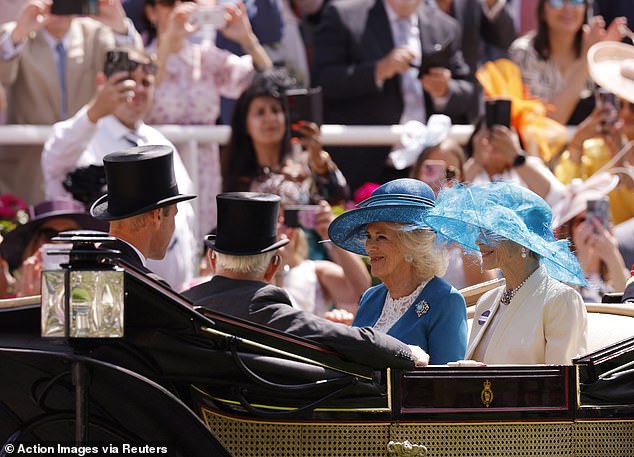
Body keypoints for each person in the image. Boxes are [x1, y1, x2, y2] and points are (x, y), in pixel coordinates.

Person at [182, 191, 429, 369]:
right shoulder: (268, 311)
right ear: (273, 266)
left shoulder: (181, 306)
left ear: (213, 259)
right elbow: (357, 342)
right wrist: (408, 352)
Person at [41, 48, 197, 289]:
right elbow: (54, 162)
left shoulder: (161, 143)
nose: (138, 89)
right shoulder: (82, 134)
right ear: (102, 82)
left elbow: (185, 217)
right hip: (104, 292)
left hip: (172, 292)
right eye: (128, 81)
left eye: (146, 82)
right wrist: (94, 112)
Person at [311, 0, 479, 193]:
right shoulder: (344, 15)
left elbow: (467, 91)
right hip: (365, 167)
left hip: (427, 172)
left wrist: (444, 90)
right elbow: (322, 80)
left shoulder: (445, 26)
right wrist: (377, 71)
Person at [143, 0, 273, 236]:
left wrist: (247, 39)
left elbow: (266, 83)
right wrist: (167, 42)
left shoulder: (205, 57)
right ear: (151, 12)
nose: (179, 8)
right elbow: (143, 100)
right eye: (168, 2)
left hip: (204, 173)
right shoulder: (140, 56)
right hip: (157, 170)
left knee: (203, 244)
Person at [425, 181, 588, 364]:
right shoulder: (486, 301)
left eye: (490, 232)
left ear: (523, 242)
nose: (479, 240)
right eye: (480, 230)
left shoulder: (560, 301)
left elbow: (562, 385)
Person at [0, 0, 142, 203]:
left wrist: (121, 29)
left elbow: (132, 73)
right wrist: (19, 34)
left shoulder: (96, 34)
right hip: (27, 167)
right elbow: (2, 79)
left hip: (85, 163)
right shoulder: (16, 33)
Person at [328, 178, 467, 365]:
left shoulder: (445, 300)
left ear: (411, 246)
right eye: (369, 236)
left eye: (381, 237)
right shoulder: (370, 297)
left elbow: (448, 383)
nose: (370, 247)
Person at [221, 71, 348, 206]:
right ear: (245, 124)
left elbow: (338, 197)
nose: (269, 118)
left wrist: (319, 165)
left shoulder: (307, 164)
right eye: (260, 112)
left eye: (275, 110)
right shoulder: (239, 177)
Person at [508, 0, 625, 125]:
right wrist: (586, 61)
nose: (567, 8)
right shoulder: (523, 53)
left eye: (576, 1)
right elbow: (545, 125)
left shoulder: (596, 50)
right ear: (542, 9)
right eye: (557, 1)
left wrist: (605, 55)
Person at [90, 145, 196, 283]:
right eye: (173, 216)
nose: (173, 227)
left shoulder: (80, 272)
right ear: (157, 216)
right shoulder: (148, 287)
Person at [276, 200, 371, 319]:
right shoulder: (253, 271)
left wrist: (335, 234)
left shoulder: (314, 270)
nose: (280, 227)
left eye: (285, 221)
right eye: (274, 221)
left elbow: (361, 291)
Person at [0, 198, 106, 297]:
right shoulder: (9, 298)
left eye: (70, 235)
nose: (59, 243)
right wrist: (26, 301)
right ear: (34, 242)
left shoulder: (103, 288)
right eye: (49, 235)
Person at [551, 172, 629, 302]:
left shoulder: (618, 272)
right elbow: (563, 305)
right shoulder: (559, 275)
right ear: (571, 231)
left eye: (599, 219)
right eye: (583, 220)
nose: (592, 226)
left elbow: (628, 302)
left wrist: (612, 256)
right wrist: (581, 259)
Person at [463, 118, 566, 207]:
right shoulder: (468, 169)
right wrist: (476, 162)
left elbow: (558, 199)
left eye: (502, 135)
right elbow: (453, 201)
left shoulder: (530, 164)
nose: (496, 141)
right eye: (490, 135)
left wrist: (517, 158)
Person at [433, 0, 516, 74]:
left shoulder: (471, 3)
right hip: (424, 81)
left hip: (466, 83)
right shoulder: (421, 5)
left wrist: (492, 3)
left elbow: (505, 40)